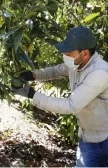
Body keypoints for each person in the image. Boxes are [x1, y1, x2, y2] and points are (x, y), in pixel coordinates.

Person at [12, 26, 108, 167]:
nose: (65, 56)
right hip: (88, 139)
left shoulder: (100, 73)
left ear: (85, 53)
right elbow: (57, 71)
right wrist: (33, 75)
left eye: (69, 53)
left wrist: (32, 94)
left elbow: (70, 105)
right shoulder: (76, 63)